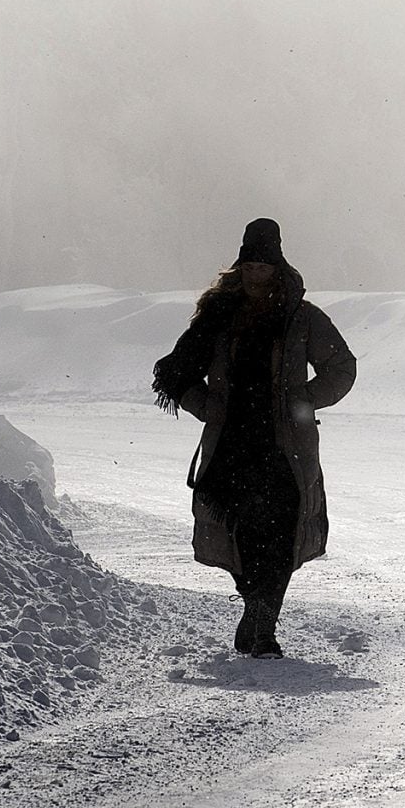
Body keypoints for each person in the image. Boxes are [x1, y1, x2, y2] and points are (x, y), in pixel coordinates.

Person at [151, 217, 357, 657]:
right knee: (242, 537)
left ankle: (263, 625)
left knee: (280, 534)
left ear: (277, 266)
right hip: (232, 448)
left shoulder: (301, 318)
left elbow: (342, 368)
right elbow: (175, 372)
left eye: (262, 266)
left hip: (285, 450)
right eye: (248, 266)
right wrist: (209, 408)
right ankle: (255, 609)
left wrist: (302, 401)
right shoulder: (219, 317)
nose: (254, 274)